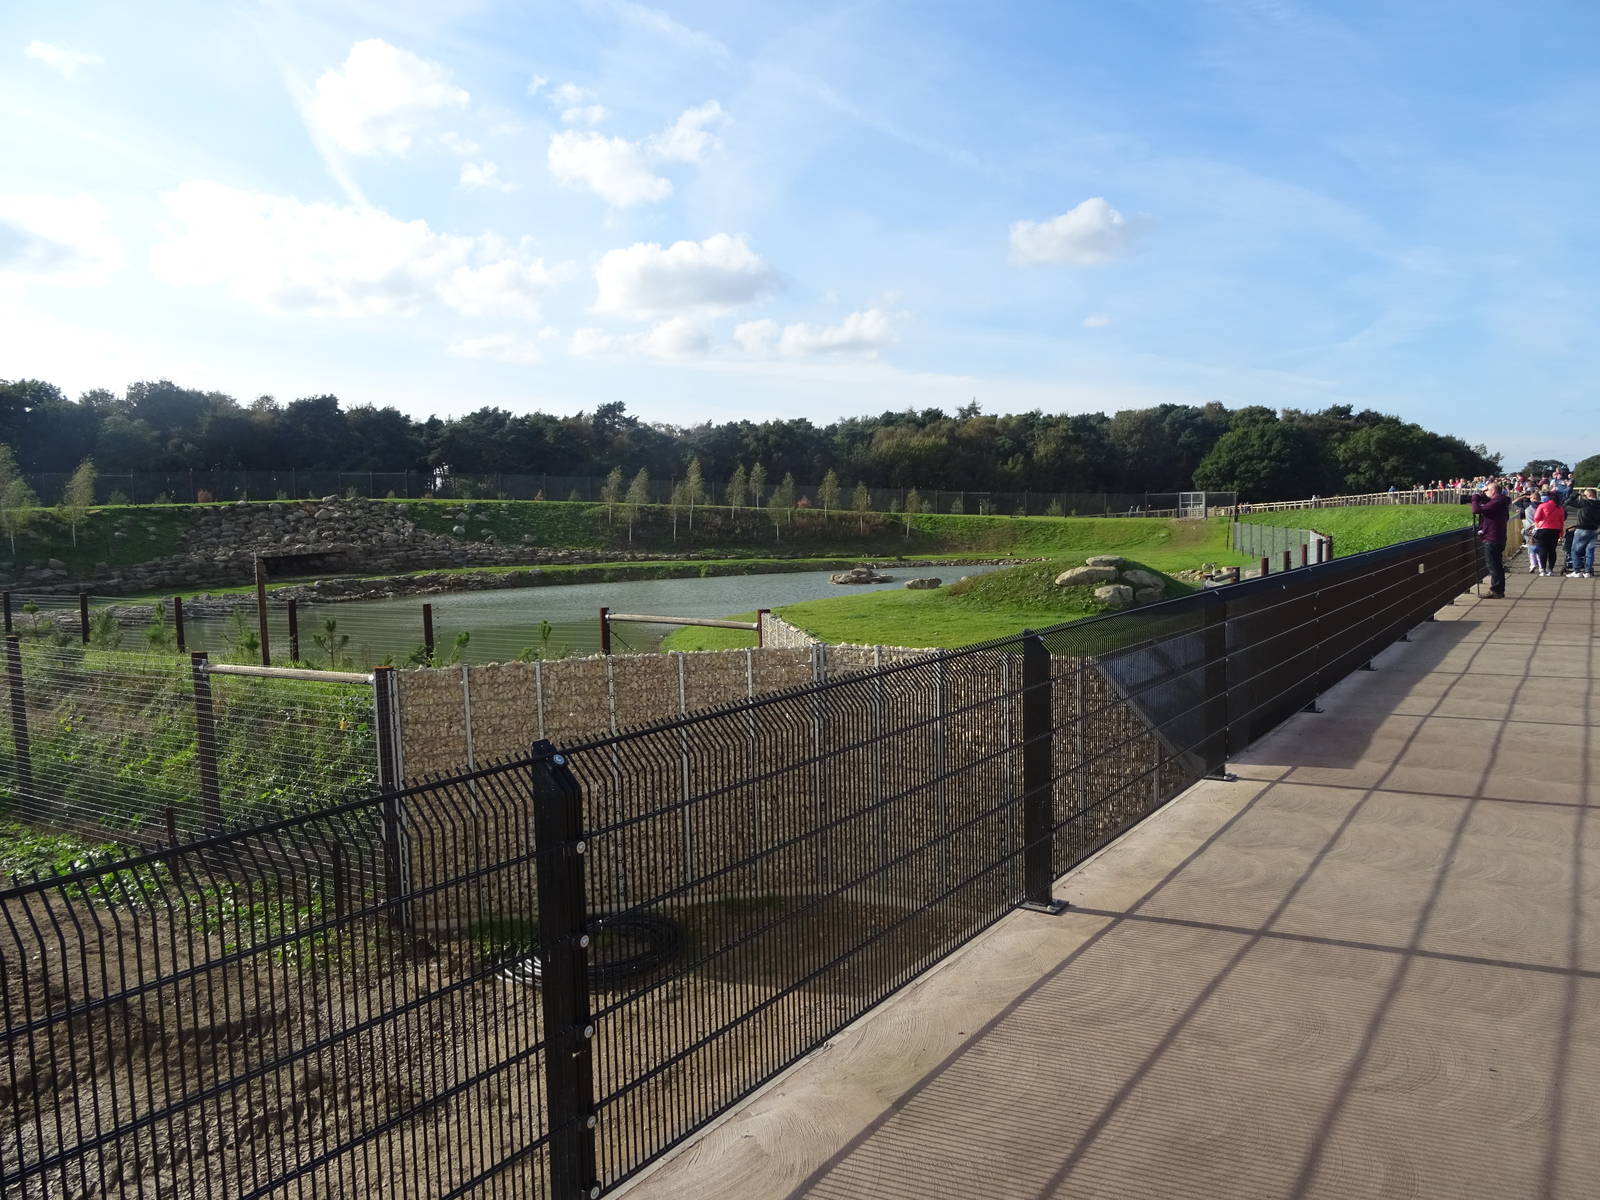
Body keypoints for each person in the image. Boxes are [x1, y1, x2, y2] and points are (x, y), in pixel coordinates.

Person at [1472, 482, 1510, 598]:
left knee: (1493, 566)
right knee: (1497, 565)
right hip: (1498, 537)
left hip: (1492, 538)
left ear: (1493, 491)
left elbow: (1476, 510)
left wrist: (1475, 498)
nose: (1484, 492)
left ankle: (1496, 591)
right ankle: (1498, 589)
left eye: (1486, 490)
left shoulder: (1496, 503)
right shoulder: (1501, 502)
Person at [1532, 490, 1566, 578]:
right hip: (1555, 530)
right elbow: (1561, 522)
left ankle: (1542, 570)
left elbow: (1536, 517)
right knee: (1552, 550)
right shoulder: (1560, 508)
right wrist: (1561, 534)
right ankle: (1550, 569)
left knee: (1542, 549)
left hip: (1543, 529)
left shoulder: (1542, 506)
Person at [1567, 487, 1600, 578]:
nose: (1583, 496)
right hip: (1594, 529)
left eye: (1585, 495)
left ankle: (1577, 570)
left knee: (1575, 550)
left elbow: (1567, 502)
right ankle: (1588, 571)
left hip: (1582, 528)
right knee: (1590, 551)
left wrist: (1576, 494)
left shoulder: (1584, 503)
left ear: (1589, 495)